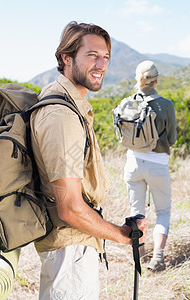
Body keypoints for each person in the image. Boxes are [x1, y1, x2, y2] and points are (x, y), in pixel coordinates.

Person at [30, 21, 147, 300]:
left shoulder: (67, 107)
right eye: (92, 55)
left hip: (73, 248)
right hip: (70, 252)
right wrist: (121, 235)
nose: (101, 64)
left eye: (105, 56)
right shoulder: (62, 116)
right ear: (66, 58)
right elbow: (69, 208)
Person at [123, 60, 177, 272]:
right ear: (156, 80)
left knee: (137, 212)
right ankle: (158, 259)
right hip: (157, 165)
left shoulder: (127, 102)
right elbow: (171, 139)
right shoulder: (166, 105)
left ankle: (140, 255)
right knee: (163, 211)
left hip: (133, 163)